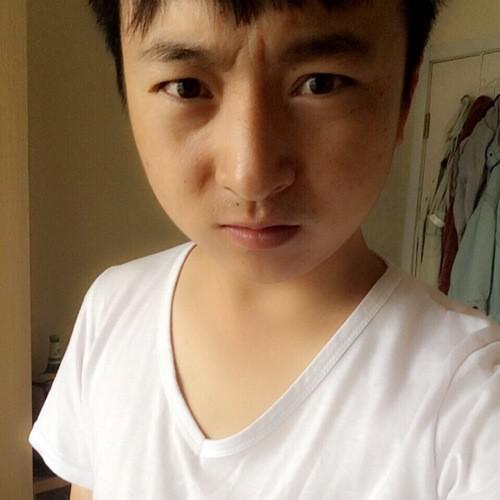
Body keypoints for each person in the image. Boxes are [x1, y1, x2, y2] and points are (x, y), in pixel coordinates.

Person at [29, 0, 500, 498]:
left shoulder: (471, 400)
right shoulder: (112, 308)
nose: (249, 176)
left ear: (405, 96)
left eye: (321, 83)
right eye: (187, 87)